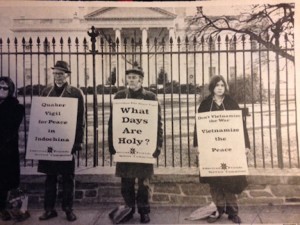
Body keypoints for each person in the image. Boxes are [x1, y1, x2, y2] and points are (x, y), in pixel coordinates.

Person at [108, 63, 163, 224]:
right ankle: (129, 209)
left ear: (141, 80)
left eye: (135, 78)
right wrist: (112, 144)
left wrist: (157, 145)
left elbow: (157, 123)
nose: (131, 81)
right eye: (129, 78)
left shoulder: (150, 97)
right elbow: (113, 123)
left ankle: (144, 210)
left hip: (144, 148)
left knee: (144, 182)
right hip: (125, 147)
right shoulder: (119, 97)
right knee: (126, 182)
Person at [194, 75, 250, 224]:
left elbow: (241, 126)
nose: (220, 88)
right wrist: (197, 145)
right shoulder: (205, 104)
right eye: (217, 85)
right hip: (211, 149)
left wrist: (246, 145)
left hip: (229, 149)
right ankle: (218, 210)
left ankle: (233, 212)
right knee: (215, 181)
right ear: (212, 87)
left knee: (230, 179)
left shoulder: (231, 103)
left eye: (222, 85)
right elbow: (198, 127)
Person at [38, 60, 85, 222]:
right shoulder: (46, 92)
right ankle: (49, 209)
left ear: (67, 75)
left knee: (67, 177)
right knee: (50, 177)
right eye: (55, 73)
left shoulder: (76, 93)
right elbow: (41, 118)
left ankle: (68, 209)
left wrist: (78, 141)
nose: (58, 76)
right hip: (50, 142)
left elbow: (80, 120)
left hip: (67, 141)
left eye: (61, 73)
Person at [0, 77, 26, 221]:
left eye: (5, 88)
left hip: (6, 150)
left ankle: (4, 208)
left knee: (5, 180)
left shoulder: (16, 107)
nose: (2, 90)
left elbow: (9, 130)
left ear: (10, 90)